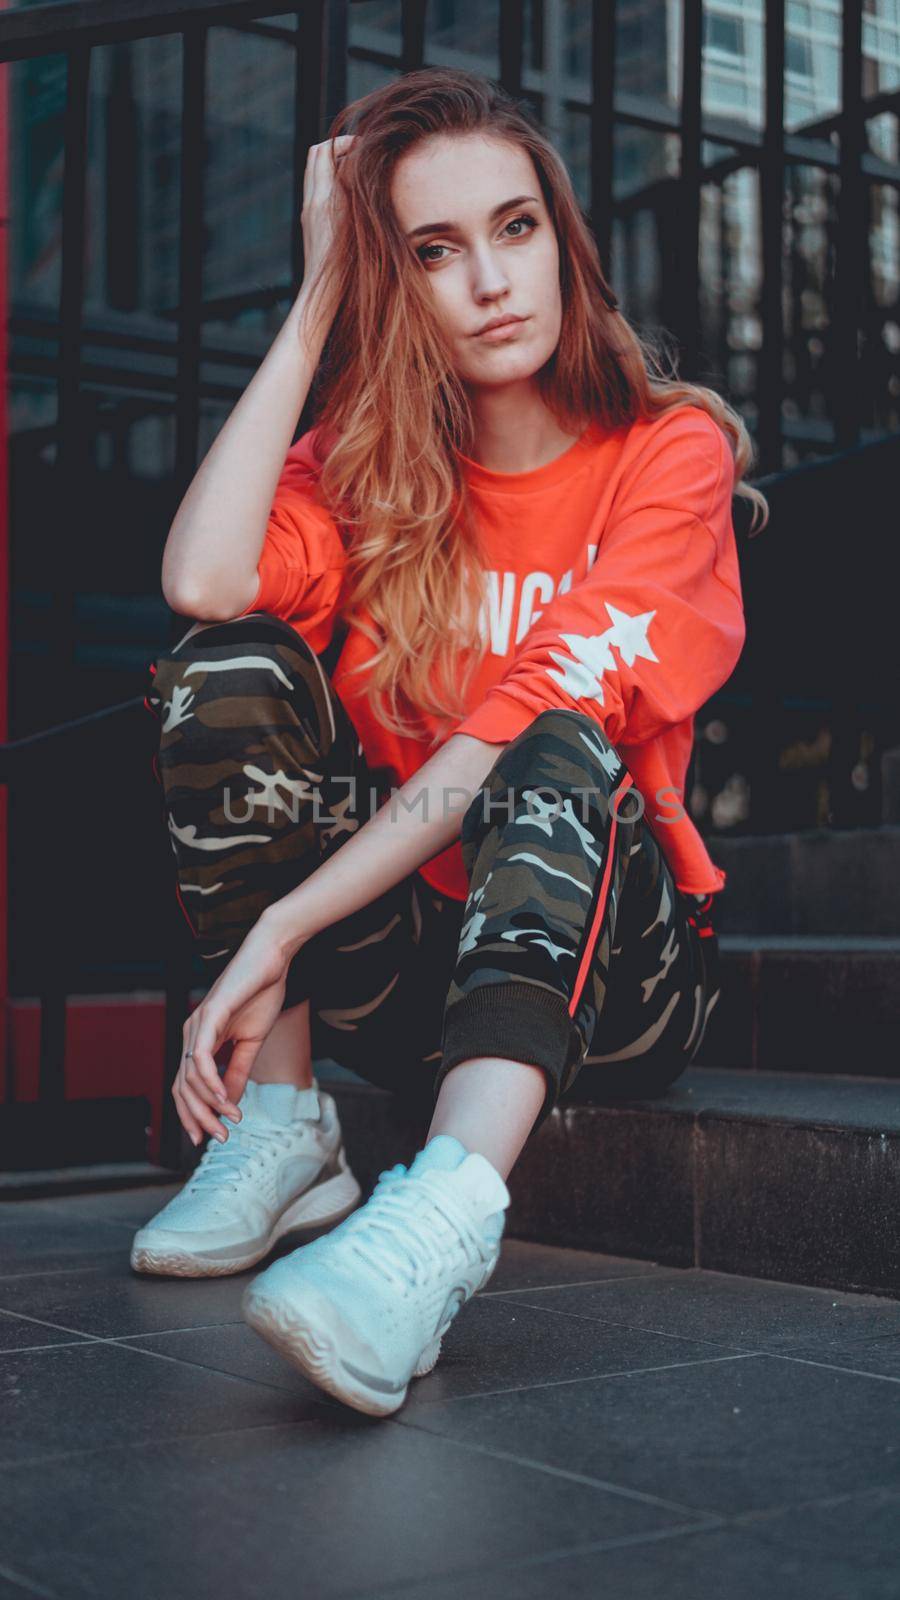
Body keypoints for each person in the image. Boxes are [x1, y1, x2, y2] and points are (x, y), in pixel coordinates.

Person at [131, 67, 767, 1418]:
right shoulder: (369, 482)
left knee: (553, 734)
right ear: (394, 282)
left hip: (615, 964)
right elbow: (200, 580)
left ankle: (439, 1223)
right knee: (223, 668)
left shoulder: (669, 452)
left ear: (563, 241)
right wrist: (316, 305)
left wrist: (277, 930)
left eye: (515, 227)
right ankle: (288, 1127)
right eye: (432, 250)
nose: (488, 279)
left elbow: (523, 725)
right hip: (413, 960)